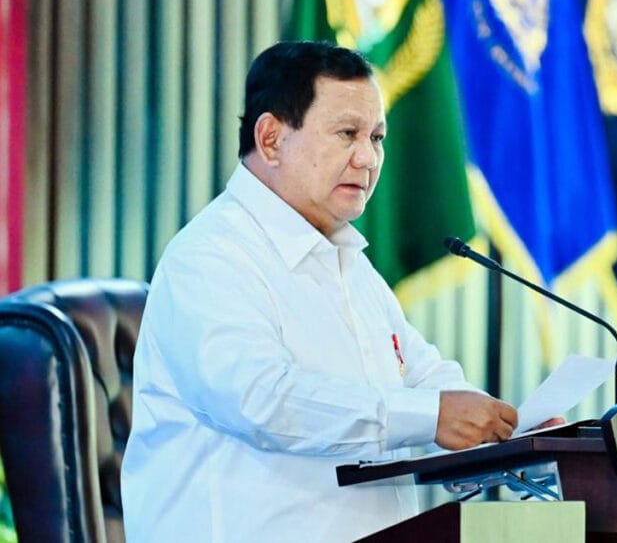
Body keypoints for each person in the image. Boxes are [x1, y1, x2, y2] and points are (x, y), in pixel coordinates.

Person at [121, 41, 521, 542]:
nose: (368, 158)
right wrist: (431, 417)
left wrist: (511, 432)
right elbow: (263, 400)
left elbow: (423, 378)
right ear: (271, 139)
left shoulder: (349, 263)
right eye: (347, 134)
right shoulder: (209, 257)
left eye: (377, 137)